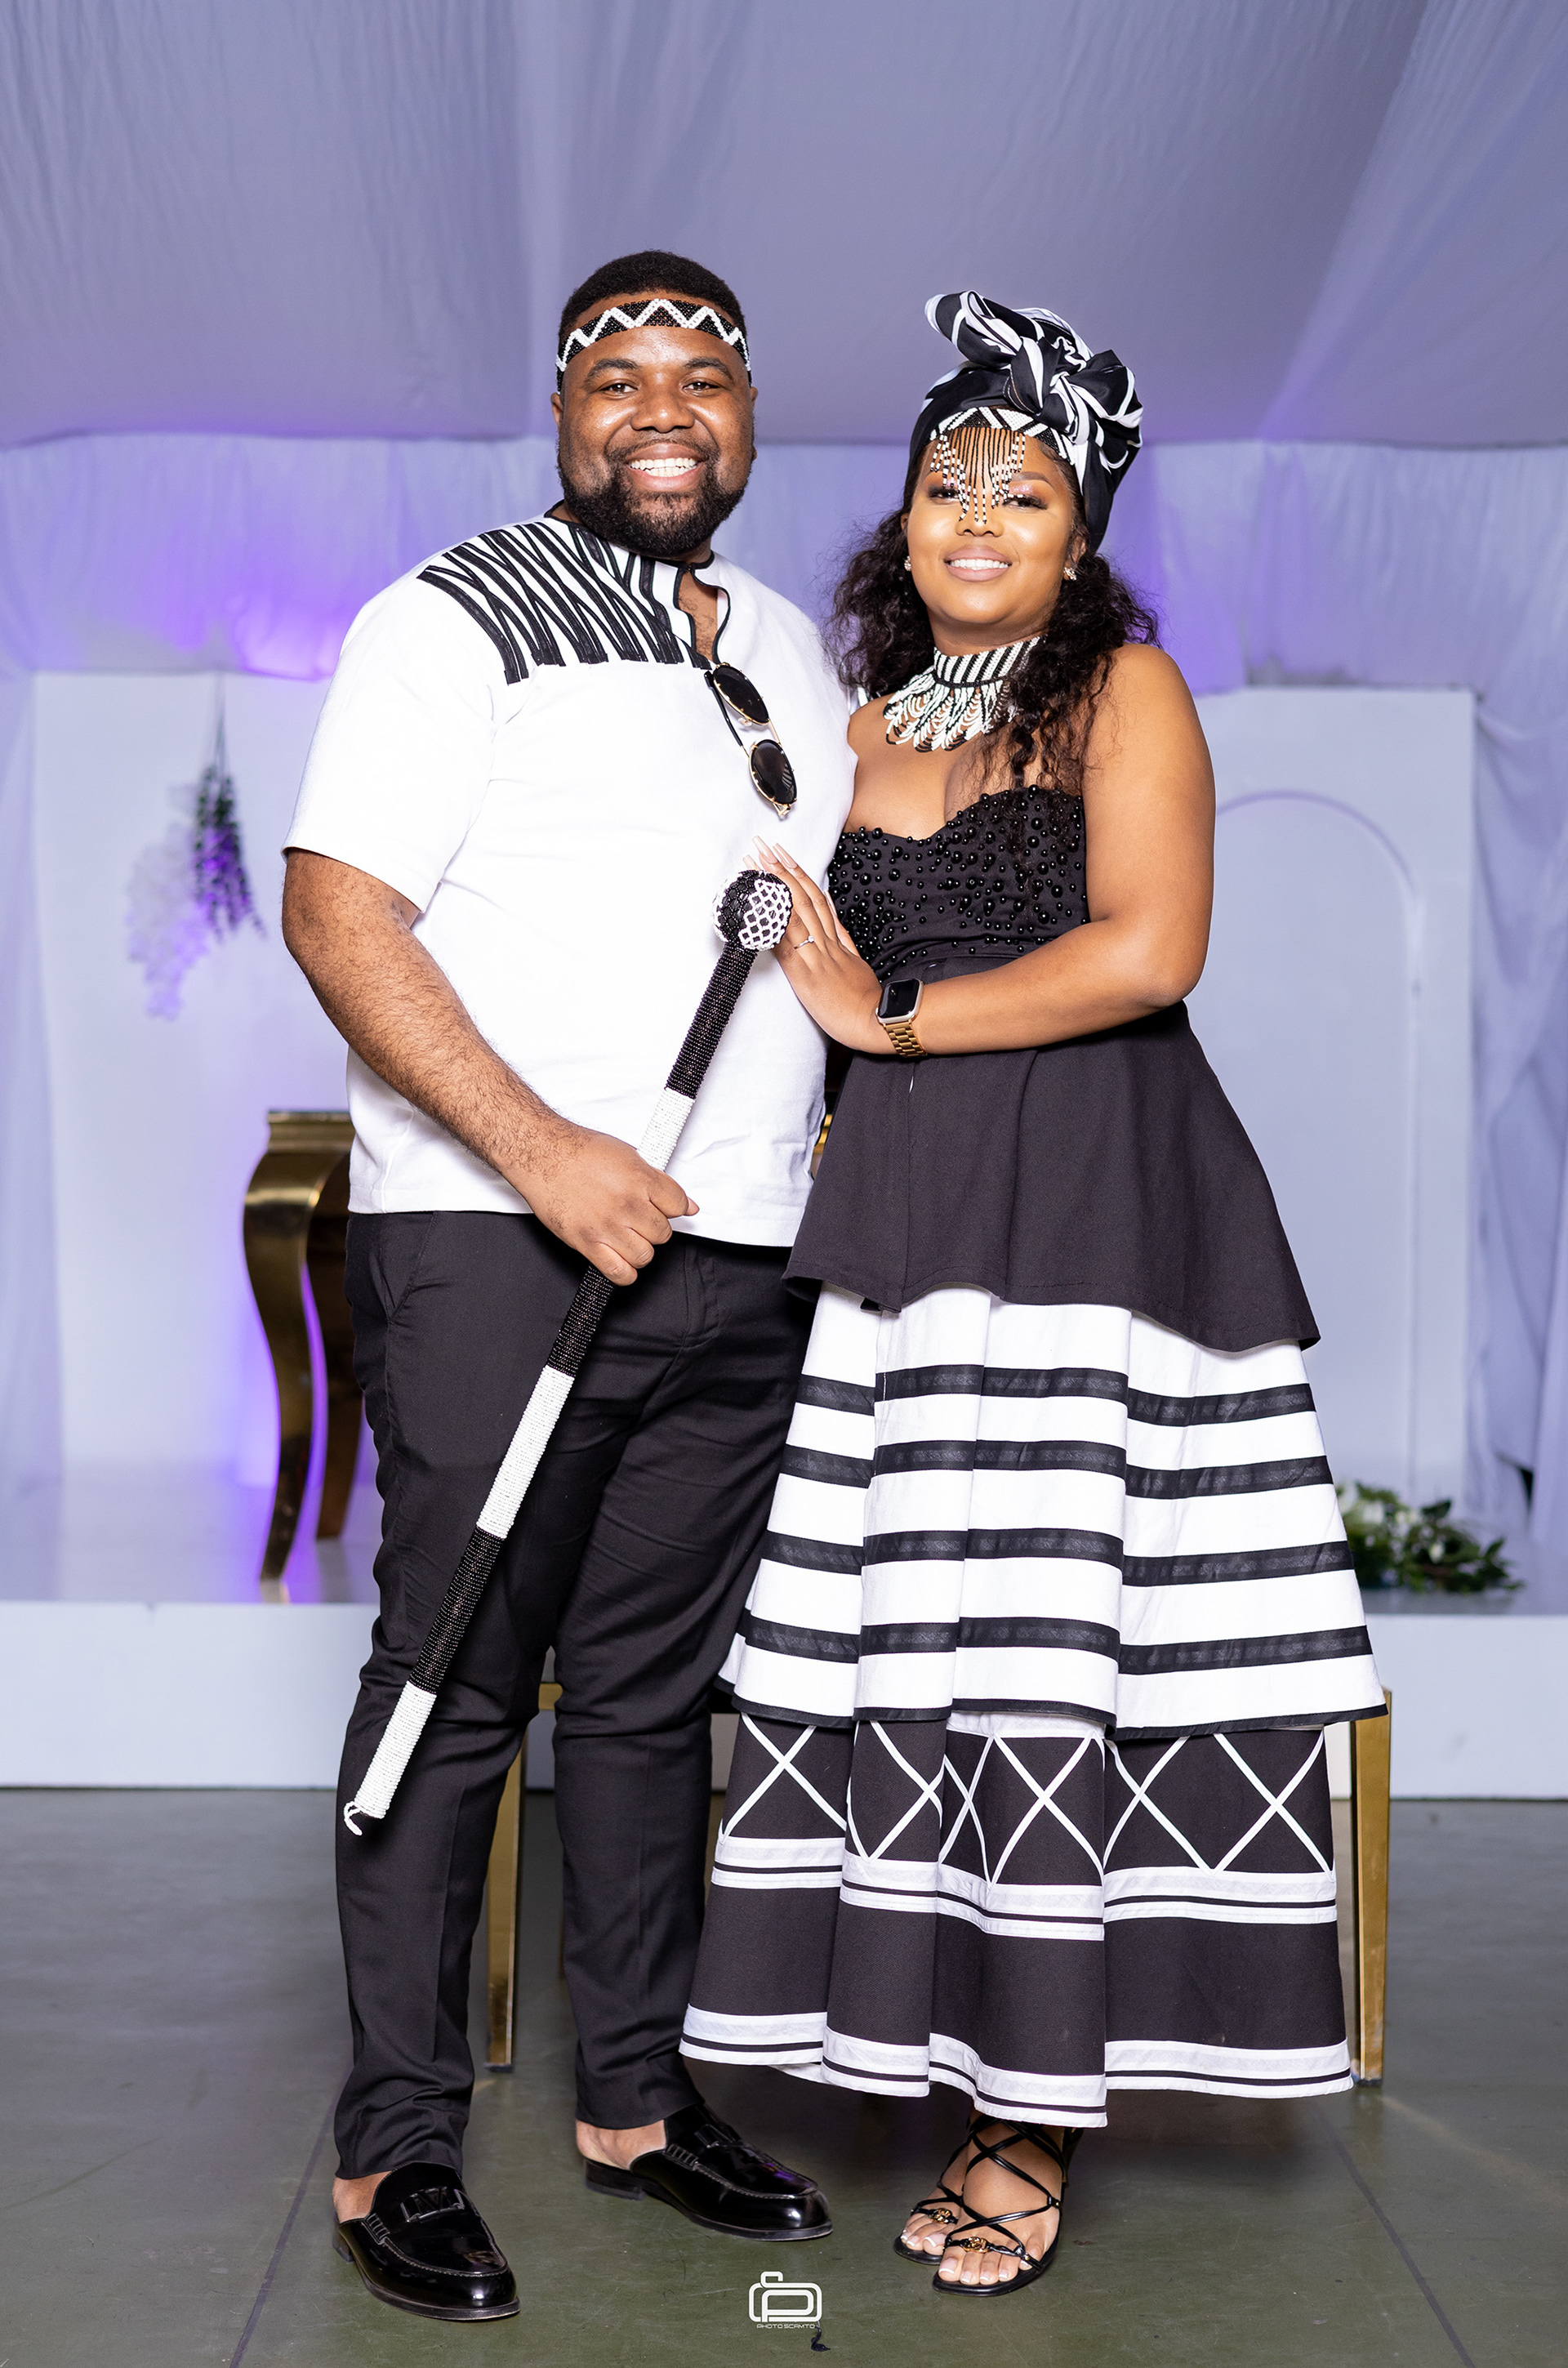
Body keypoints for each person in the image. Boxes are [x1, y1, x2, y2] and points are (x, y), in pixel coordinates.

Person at [680, 292, 1387, 2299]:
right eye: (946, 484)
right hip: (910, 1229)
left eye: (1023, 490)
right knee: (921, 1647)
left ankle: (1029, 2118)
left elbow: (1152, 952)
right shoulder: (863, 724)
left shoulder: (1125, 692)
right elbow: (803, 967)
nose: (976, 516)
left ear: (1080, 535)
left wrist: (889, 1022)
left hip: (1096, 1216)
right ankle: (937, 2039)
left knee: (1061, 1654)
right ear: (900, 518)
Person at [281, 250, 846, 2323]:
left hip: (741, 1261)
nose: (663, 407)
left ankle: (635, 2098)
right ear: (561, 411)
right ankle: (397, 2143)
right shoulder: (454, 616)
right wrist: (543, 1153)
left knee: (649, 1697)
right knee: (449, 1688)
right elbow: (338, 911)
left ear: (751, 411)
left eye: (705, 372)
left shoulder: (786, 644)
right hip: (500, 1242)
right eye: (621, 375)